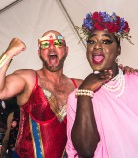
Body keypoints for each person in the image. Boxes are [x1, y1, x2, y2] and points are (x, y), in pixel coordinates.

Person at [66, 11, 138, 158]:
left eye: (106, 41)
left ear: (118, 50)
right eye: (91, 41)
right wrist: (84, 92)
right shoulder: (75, 98)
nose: (97, 46)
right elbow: (86, 152)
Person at [0, 30, 83, 158]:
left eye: (57, 43)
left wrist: (123, 73)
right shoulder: (28, 78)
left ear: (66, 50)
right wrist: (8, 53)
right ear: (39, 53)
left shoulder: (80, 86)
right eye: (45, 44)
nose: (51, 47)